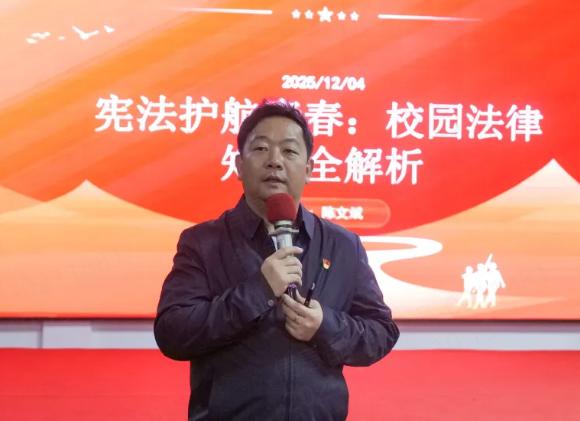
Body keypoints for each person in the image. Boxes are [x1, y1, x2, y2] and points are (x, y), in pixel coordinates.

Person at [154, 100, 399, 420]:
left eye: (289, 151)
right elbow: (173, 333)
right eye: (261, 149)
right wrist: (258, 291)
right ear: (239, 165)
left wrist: (324, 326)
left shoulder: (342, 245)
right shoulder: (203, 242)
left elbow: (381, 332)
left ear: (309, 169)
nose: (274, 161)